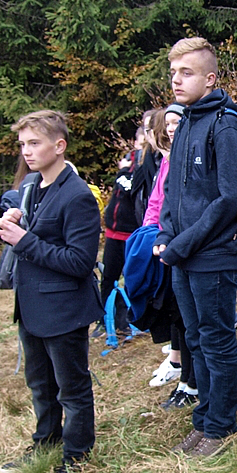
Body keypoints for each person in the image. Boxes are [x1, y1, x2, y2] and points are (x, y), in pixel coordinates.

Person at [0, 110, 101, 473]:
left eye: (34, 143)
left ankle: (77, 457)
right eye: (23, 144)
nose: (26, 151)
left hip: (64, 309)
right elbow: (36, 232)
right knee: (40, 385)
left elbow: (80, 262)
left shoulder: (78, 195)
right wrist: (17, 220)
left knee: (72, 389)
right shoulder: (33, 185)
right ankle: (46, 442)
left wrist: (24, 240)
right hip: (31, 307)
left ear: (59, 145)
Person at [153, 37, 237, 458]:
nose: (176, 80)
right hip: (183, 253)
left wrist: (182, 244)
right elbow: (173, 190)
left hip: (214, 254)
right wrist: (164, 235)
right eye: (173, 72)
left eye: (187, 73)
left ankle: (221, 426)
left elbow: (233, 196)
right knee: (195, 338)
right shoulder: (186, 121)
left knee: (216, 338)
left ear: (210, 78)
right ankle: (205, 418)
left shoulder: (224, 124)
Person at [141, 105, 198, 408]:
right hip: (165, 242)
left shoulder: (186, 157)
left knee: (186, 318)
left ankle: (191, 383)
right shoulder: (165, 160)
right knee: (177, 317)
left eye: (178, 121)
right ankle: (184, 377)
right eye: (168, 123)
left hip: (182, 245)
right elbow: (157, 202)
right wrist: (150, 232)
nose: (173, 127)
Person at [92, 131, 143, 338]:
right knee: (108, 279)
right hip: (113, 233)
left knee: (132, 280)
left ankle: (131, 320)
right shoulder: (129, 160)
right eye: (140, 140)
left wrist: (122, 172)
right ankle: (105, 320)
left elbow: (130, 187)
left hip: (132, 234)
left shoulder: (146, 166)